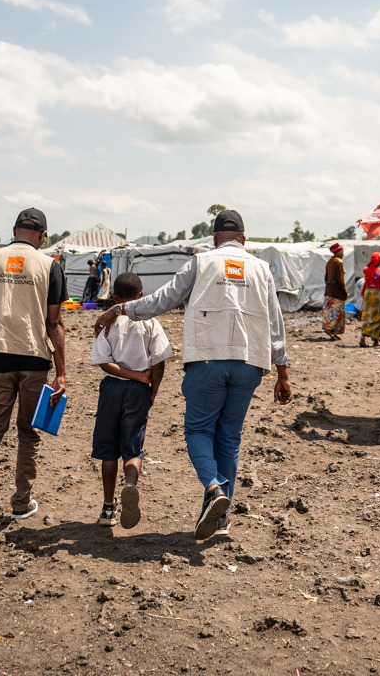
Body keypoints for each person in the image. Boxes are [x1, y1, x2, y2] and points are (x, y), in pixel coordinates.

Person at [92, 209, 291, 540]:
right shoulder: (261, 270)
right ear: (243, 238)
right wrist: (282, 372)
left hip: (208, 362)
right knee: (229, 437)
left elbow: (162, 300)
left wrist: (120, 308)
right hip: (249, 365)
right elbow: (275, 324)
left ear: (215, 239)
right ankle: (221, 517)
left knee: (199, 430)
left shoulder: (201, 262)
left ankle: (213, 490)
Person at [0, 208, 68, 529]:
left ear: (13, 230)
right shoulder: (50, 266)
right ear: (43, 236)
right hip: (36, 361)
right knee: (28, 432)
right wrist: (61, 372)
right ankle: (21, 503)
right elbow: (55, 324)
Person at [90, 272, 174, 530]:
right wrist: (150, 388)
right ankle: (130, 485)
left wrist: (132, 376)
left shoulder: (106, 324)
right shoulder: (150, 322)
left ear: (114, 297)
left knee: (108, 451)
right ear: (141, 297)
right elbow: (159, 361)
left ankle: (107, 508)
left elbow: (104, 362)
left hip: (112, 390)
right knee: (133, 449)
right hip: (139, 392)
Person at [358, 252, 380, 348]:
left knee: (367, 315)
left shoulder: (366, 270)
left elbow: (366, 267)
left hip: (368, 294)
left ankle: (363, 337)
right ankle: (375, 340)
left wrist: (371, 263)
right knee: (377, 317)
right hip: (377, 295)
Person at [322, 242, 347, 340]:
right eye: (342, 252)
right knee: (337, 312)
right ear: (338, 252)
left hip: (329, 291)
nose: (343, 254)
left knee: (329, 312)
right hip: (337, 293)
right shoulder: (339, 262)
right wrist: (345, 291)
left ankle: (332, 331)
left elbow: (326, 277)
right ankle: (331, 330)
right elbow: (341, 280)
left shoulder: (329, 261)